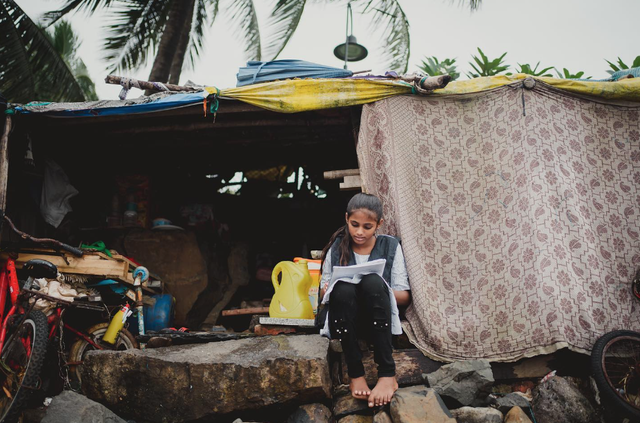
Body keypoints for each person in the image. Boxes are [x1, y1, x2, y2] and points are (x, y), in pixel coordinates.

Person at [318, 193, 411, 408]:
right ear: (346, 219)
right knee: (342, 288)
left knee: (372, 283)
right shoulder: (337, 246)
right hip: (346, 318)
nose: (359, 232)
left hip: (378, 317)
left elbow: (404, 295)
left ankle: (387, 374)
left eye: (367, 227)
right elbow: (324, 295)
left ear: (379, 224)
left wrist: (374, 289)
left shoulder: (390, 246)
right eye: (354, 224)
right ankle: (355, 373)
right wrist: (327, 289)